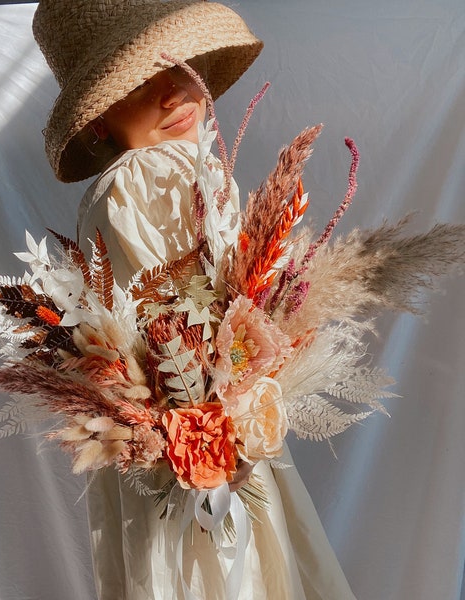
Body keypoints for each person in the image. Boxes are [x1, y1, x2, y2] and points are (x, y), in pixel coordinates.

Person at [32, 1, 357, 598]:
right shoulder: (145, 179)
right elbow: (186, 342)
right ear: (99, 119)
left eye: (181, 65)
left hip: (196, 446)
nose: (172, 90)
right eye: (138, 80)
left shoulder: (178, 173)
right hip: (196, 455)